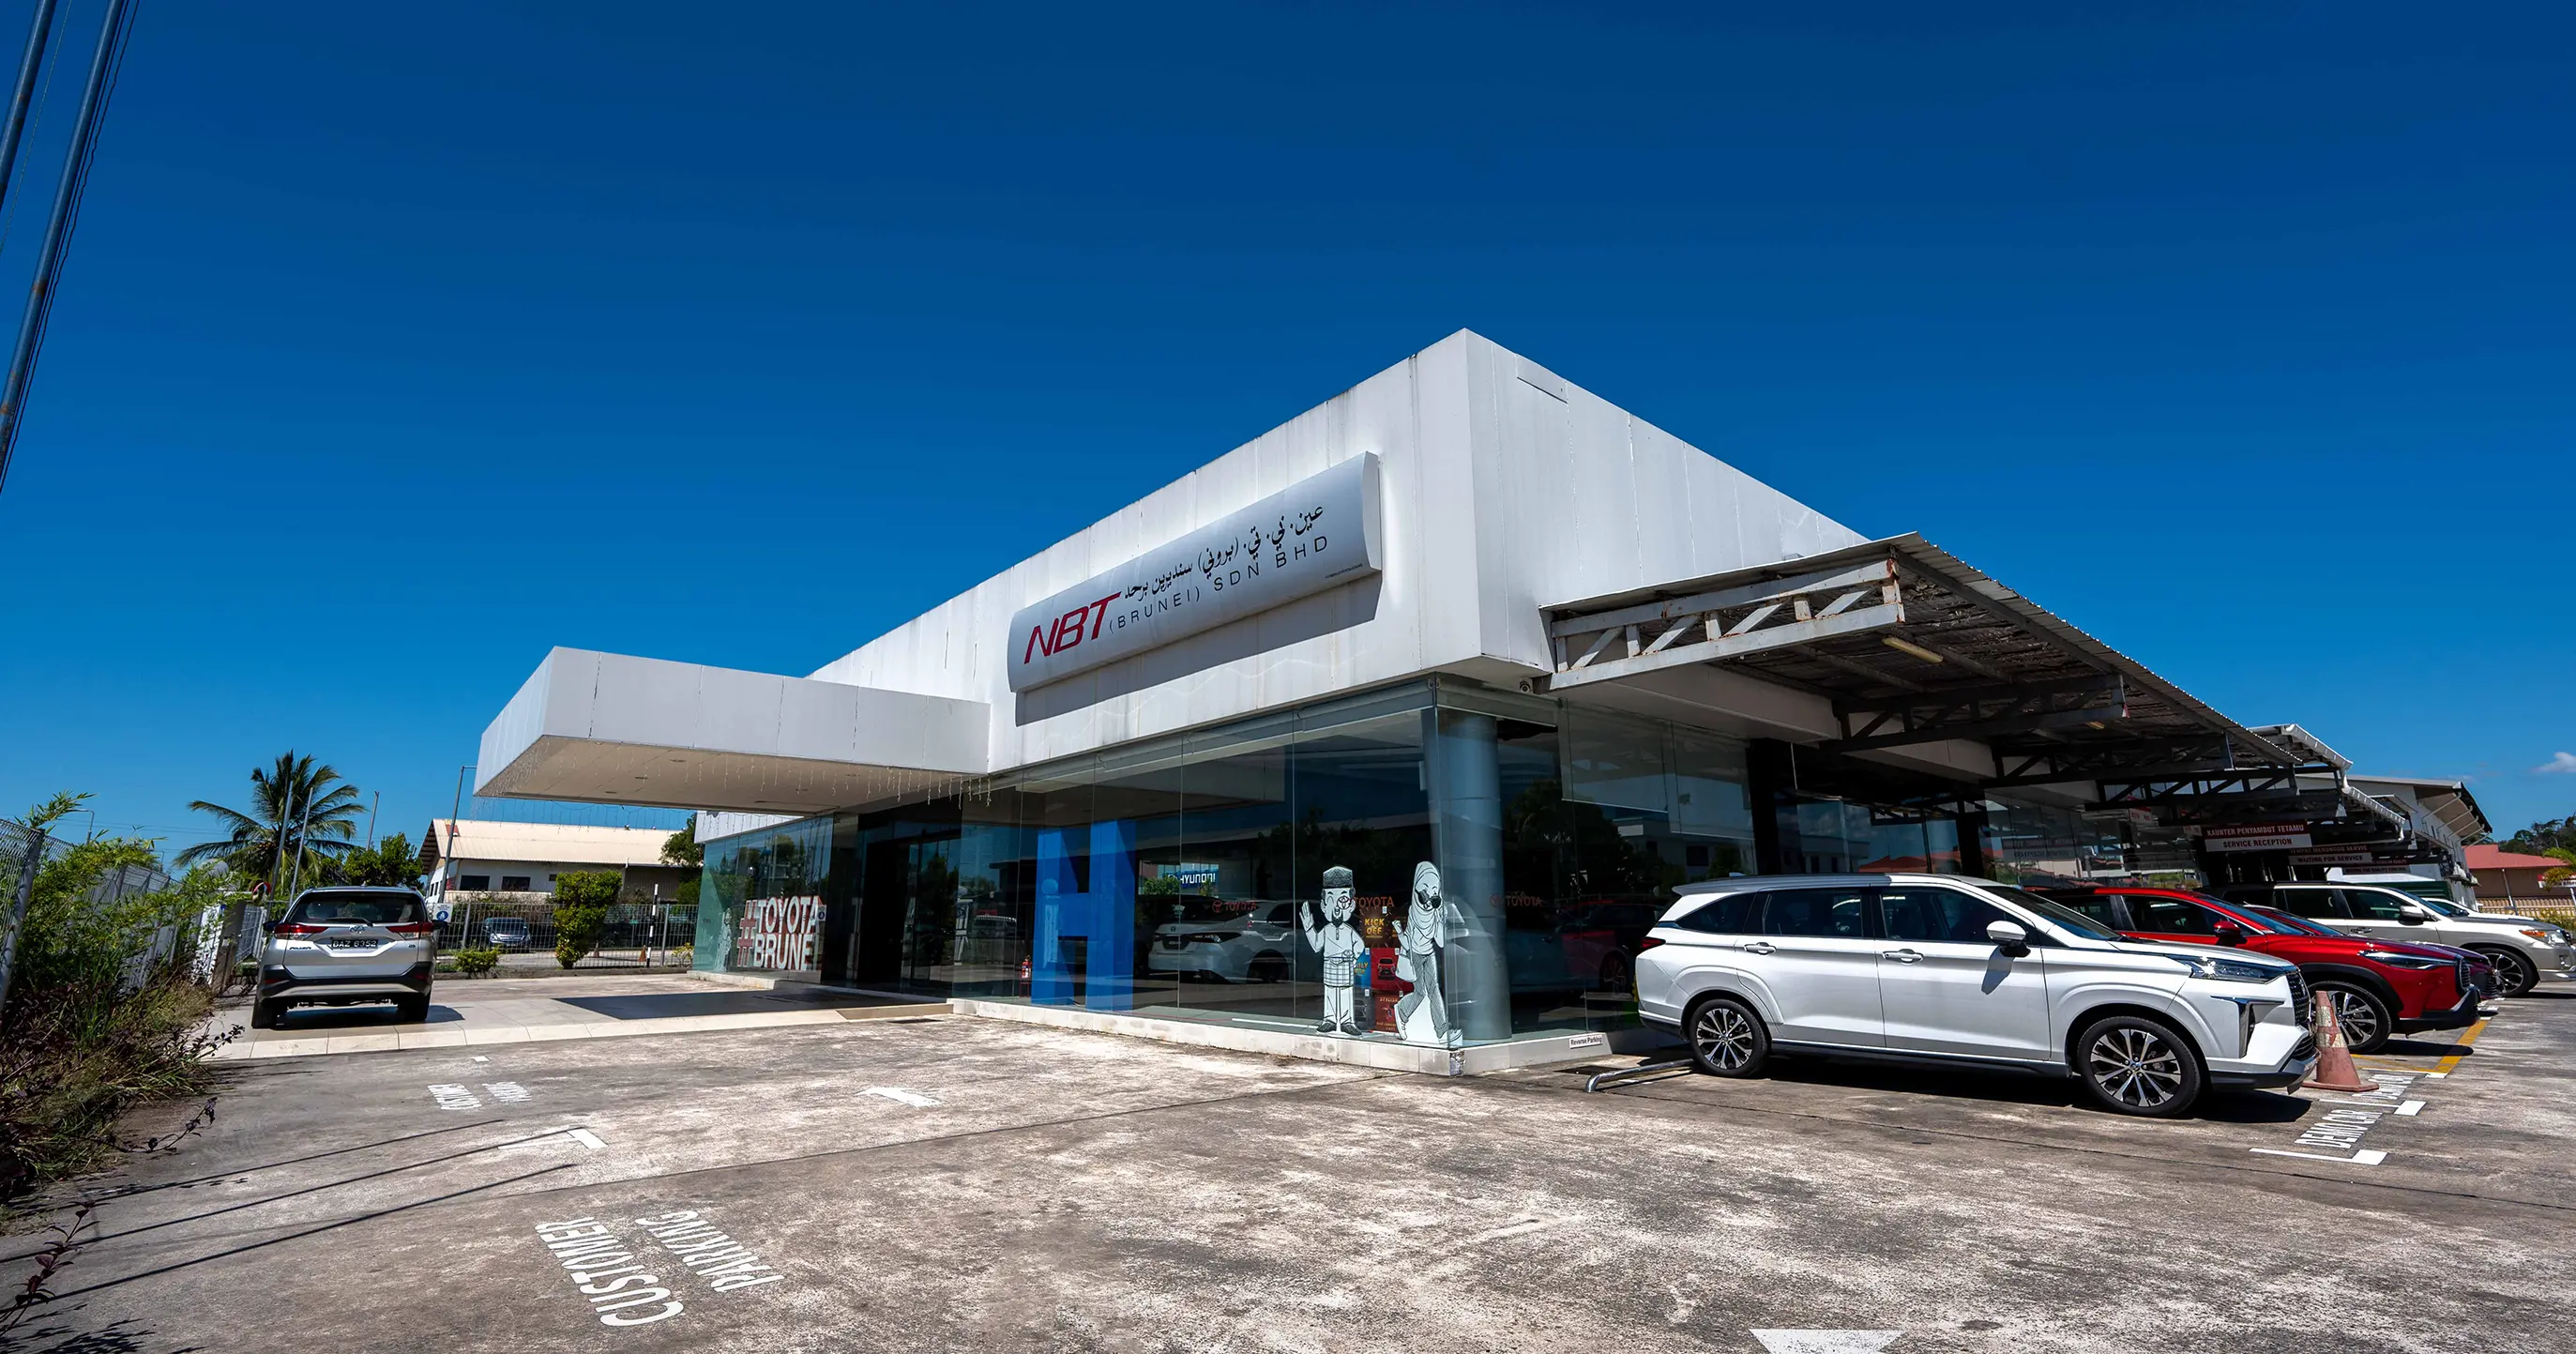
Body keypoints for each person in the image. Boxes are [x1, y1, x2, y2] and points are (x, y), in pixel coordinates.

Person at [1301, 866, 1366, 1036]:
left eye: (1342, 901)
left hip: (1345, 964)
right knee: (1330, 991)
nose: (1337, 908)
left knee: (1345, 992)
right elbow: (1316, 945)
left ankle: (1346, 1021)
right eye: (1331, 900)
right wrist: (1309, 929)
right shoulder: (1327, 930)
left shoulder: (1349, 930)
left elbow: (1359, 947)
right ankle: (1329, 1019)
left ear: (1351, 905)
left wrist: (1352, 960)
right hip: (1329, 963)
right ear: (1323, 906)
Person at [1393, 860, 1450, 1045]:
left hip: (1429, 953)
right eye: (1425, 887)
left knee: (1434, 990)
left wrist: (1441, 917)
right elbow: (1408, 942)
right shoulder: (1413, 912)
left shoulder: (1435, 913)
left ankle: (1442, 1030)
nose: (1429, 893)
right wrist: (1400, 932)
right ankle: (1402, 1011)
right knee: (1420, 993)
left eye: (1434, 889)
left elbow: (1440, 942)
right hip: (1416, 954)